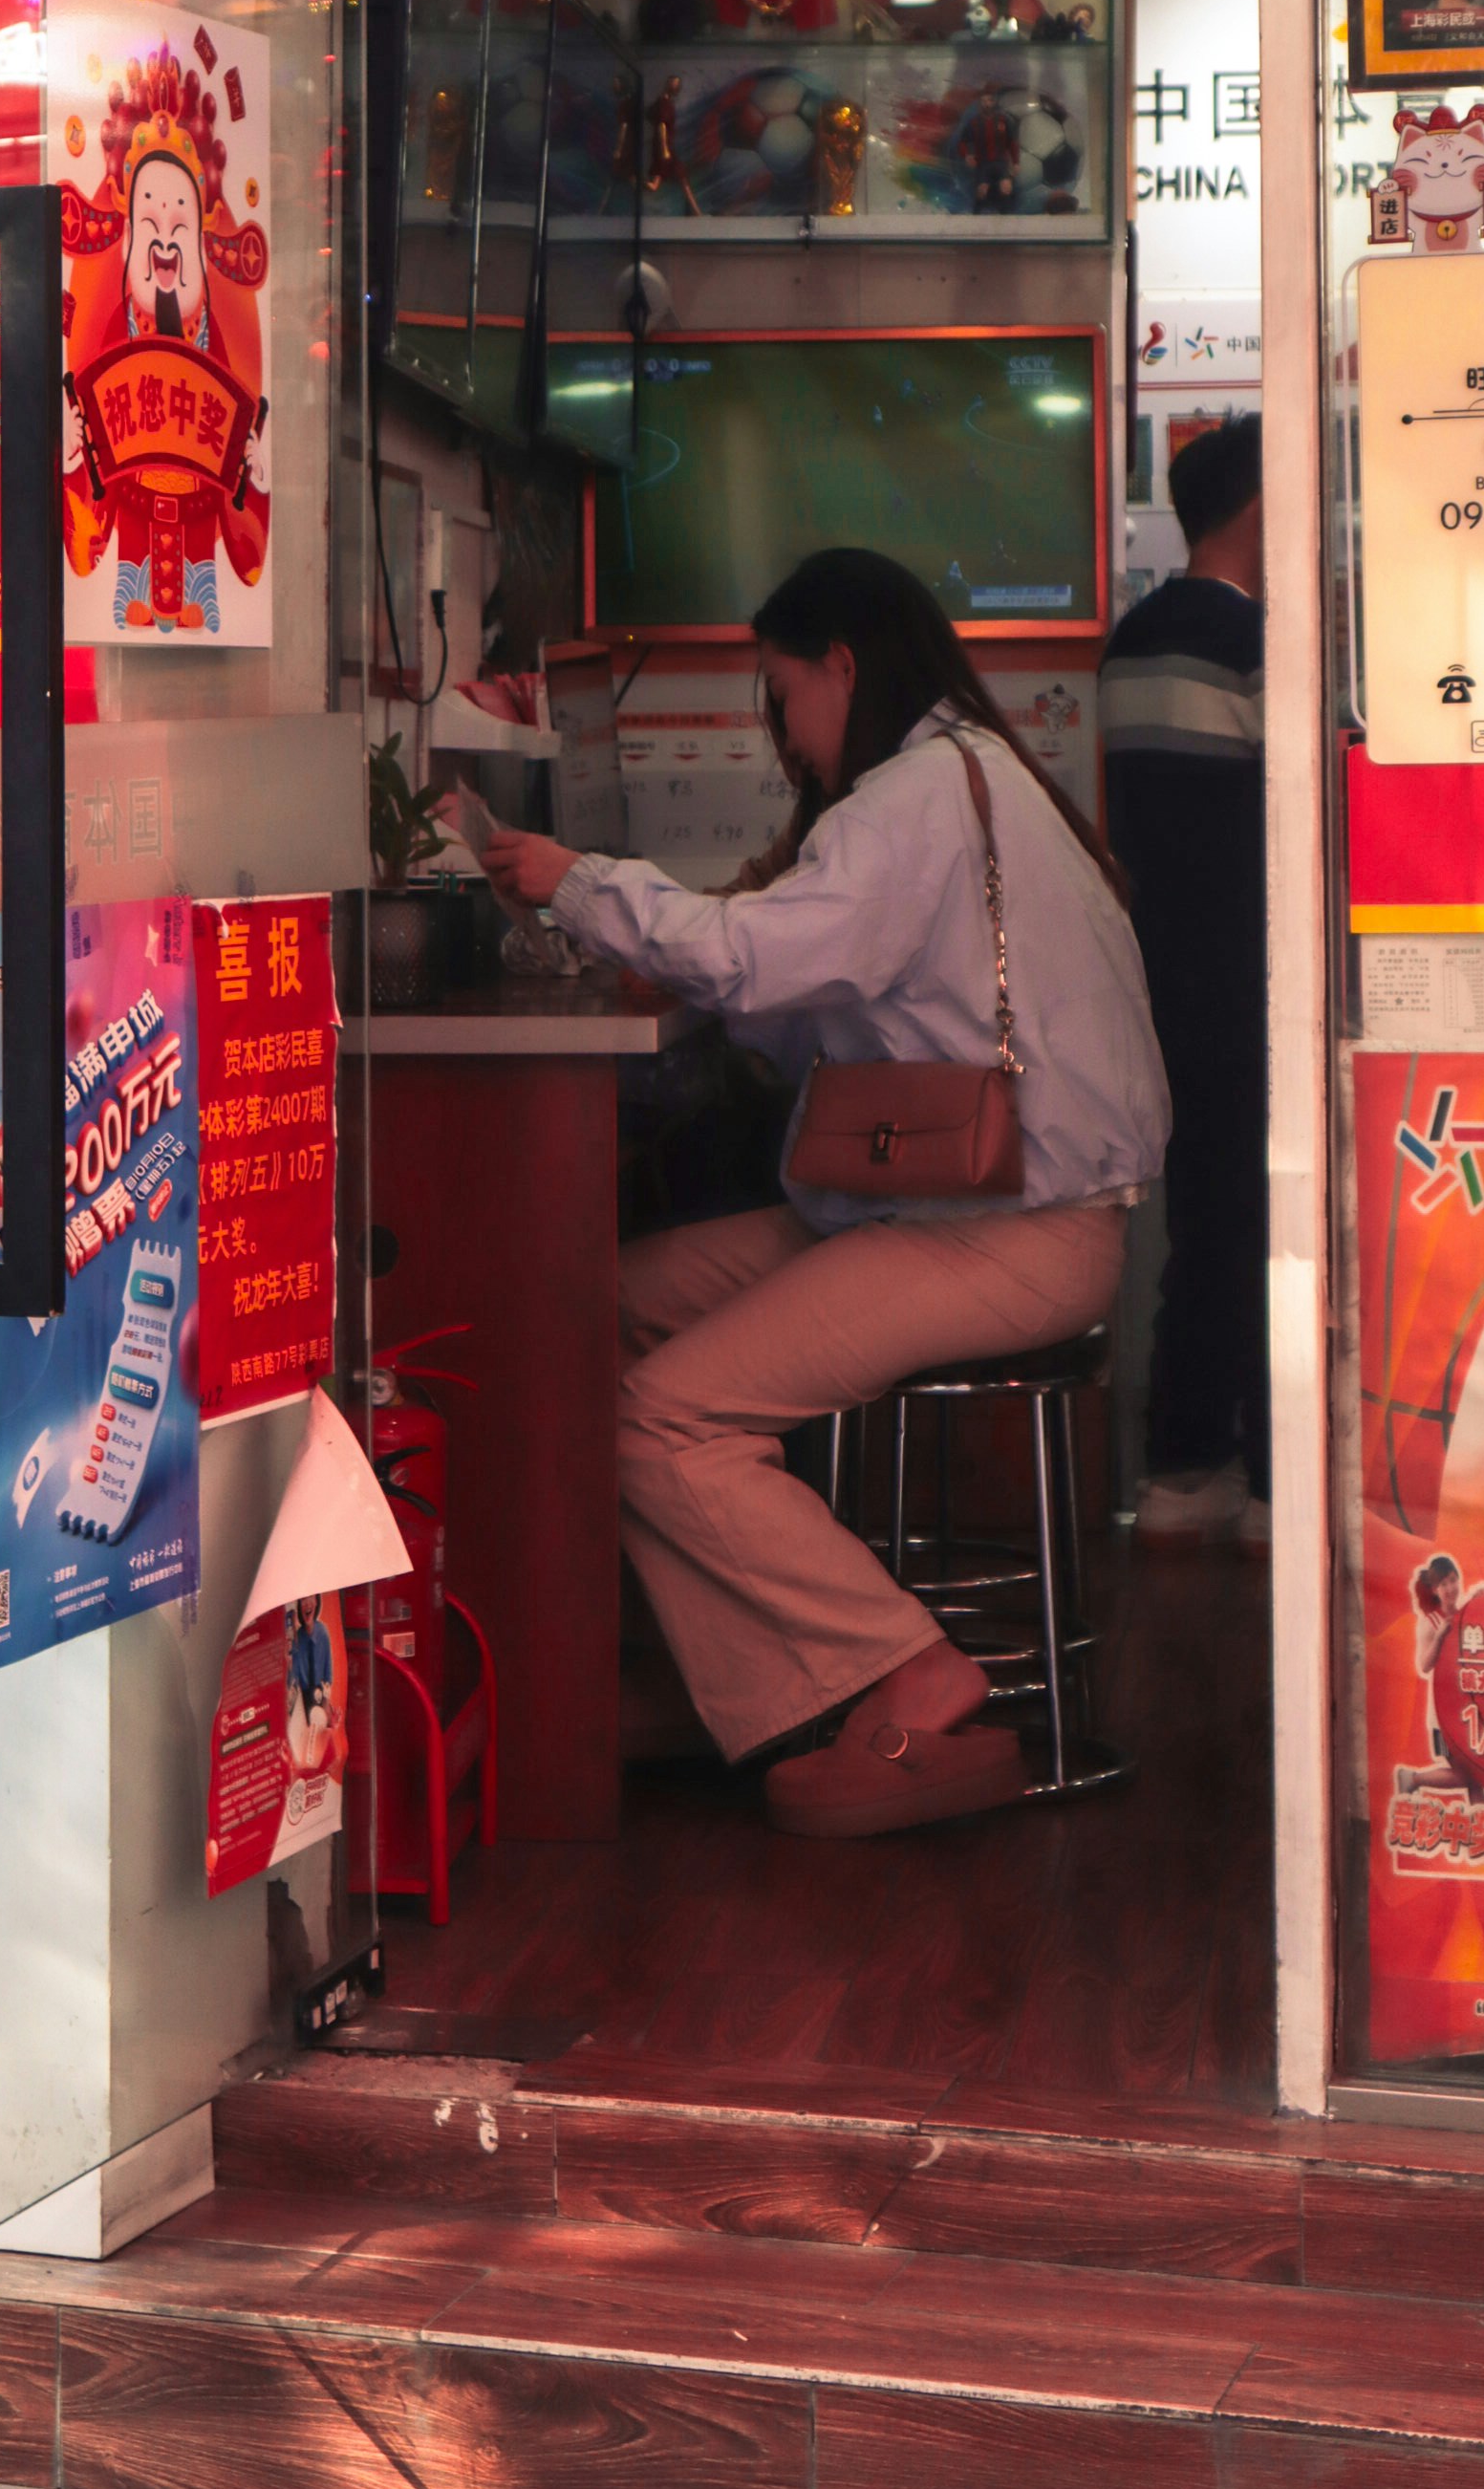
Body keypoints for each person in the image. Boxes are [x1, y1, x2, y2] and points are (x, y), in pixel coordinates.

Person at [484, 548, 1168, 1842]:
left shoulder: (912, 798)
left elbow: (758, 959)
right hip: (955, 1206)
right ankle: (756, 1689)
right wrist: (682, 975)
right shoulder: (974, 775)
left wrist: (577, 881)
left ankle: (905, 1666)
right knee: (601, 1309)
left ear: (842, 667)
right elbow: (813, 1001)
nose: (786, 733)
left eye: (784, 695)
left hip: (1013, 1229)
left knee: (654, 1415)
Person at [1099, 415, 1268, 1547]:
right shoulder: (1258, 645)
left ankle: (1181, 1467)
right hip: (1260, 977)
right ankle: (1266, 1482)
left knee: (1206, 1221)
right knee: (1262, 1224)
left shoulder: (1131, 639)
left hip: (1162, 976)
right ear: (1261, 506)